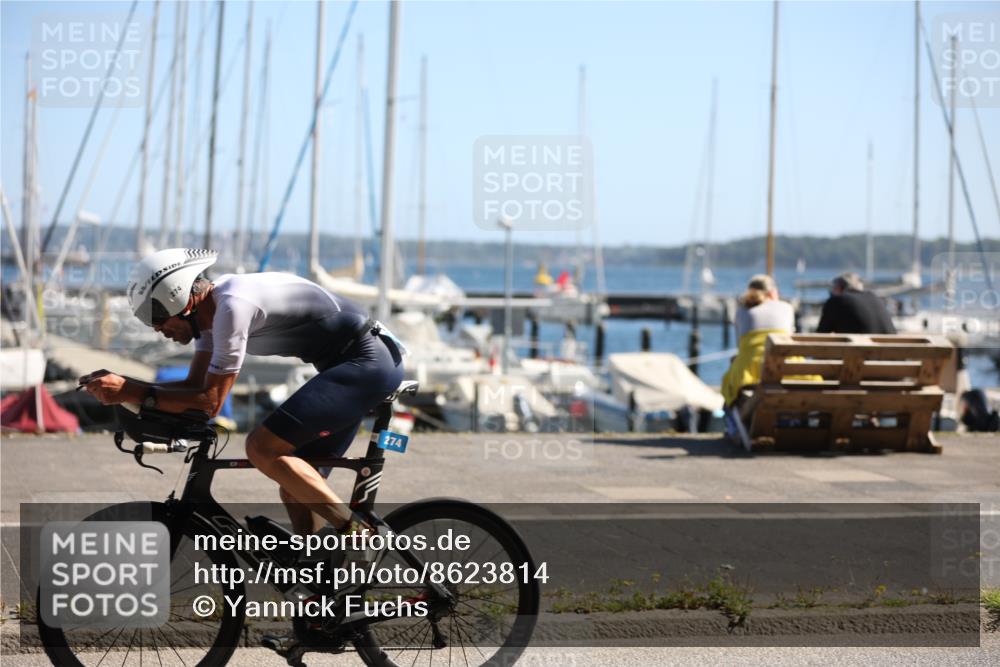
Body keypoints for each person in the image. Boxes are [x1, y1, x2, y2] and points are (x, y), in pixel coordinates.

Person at [80, 248, 404, 538]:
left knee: (261, 448)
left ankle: (358, 534)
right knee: (295, 487)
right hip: (348, 364)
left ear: (180, 299)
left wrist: (132, 391)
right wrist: (125, 387)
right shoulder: (209, 317)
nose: (157, 329)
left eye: (156, 316)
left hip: (367, 362)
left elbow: (209, 402)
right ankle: (318, 583)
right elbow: (195, 386)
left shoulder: (232, 308)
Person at [721, 274, 795, 406]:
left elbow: (740, 346)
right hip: (786, 370)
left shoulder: (742, 311)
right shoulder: (787, 308)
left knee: (731, 376)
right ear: (772, 292)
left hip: (750, 373)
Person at [816, 272, 896, 334]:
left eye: (833, 289)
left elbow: (821, 335)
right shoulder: (875, 298)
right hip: (891, 353)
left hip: (861, 353)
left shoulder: (836, 301)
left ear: (839, 288)